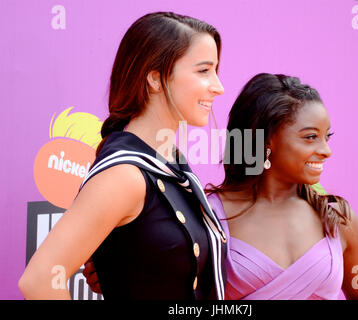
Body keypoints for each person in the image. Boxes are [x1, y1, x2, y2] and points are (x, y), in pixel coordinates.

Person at [18, 11, 227, 300]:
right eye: (204, 71)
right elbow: (40, 280)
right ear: (155, 78)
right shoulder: (125, 175)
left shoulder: (171, 165)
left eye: (216, 70)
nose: (218, 86)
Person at [206, 73, 358, 300]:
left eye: (326, 137)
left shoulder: (337, 217)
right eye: (311, 137)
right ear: (266, 141)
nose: (326, 150)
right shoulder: (210, 216)